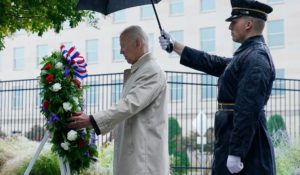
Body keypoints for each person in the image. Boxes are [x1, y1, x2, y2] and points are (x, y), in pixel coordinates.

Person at [159, 0, 276, 174]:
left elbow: (248, 109)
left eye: (234, 22)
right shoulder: (247, 54)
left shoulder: (256, 58)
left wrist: (237, 152)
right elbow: (212, 63)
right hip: (230, 133)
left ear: (248, 24)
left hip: (245, 144)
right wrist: (174, 45)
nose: (230, 27)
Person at [68, 25, 169, 175]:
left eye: (123, 45)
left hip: (143, 162)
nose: (121, 51)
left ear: (138, 44)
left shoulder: (151, 70)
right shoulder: (140, 71)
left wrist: (92, 119)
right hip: (137, 156)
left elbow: (129, 104)